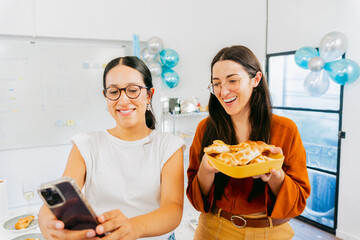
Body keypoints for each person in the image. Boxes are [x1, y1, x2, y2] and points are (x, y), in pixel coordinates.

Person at [38, 56, 185, 240]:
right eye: (114, 92)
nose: (123, 100)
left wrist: (132, 228)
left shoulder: (169, 146)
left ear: (149, 95)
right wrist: (45, 219)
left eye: (133, 90)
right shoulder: (85, 144)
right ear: (106, 97)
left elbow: (173, 209)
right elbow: (62, 197)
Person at [186, 45, 311, 240]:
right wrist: (206, 169)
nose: (223, 91)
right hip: (213, 228)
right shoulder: (206, 128)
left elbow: (299, 199)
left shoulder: (285, 130)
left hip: (269, 232)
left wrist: (274, 174)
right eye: (216, 83)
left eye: (233, 81)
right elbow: (195, 197)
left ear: (256, 79)